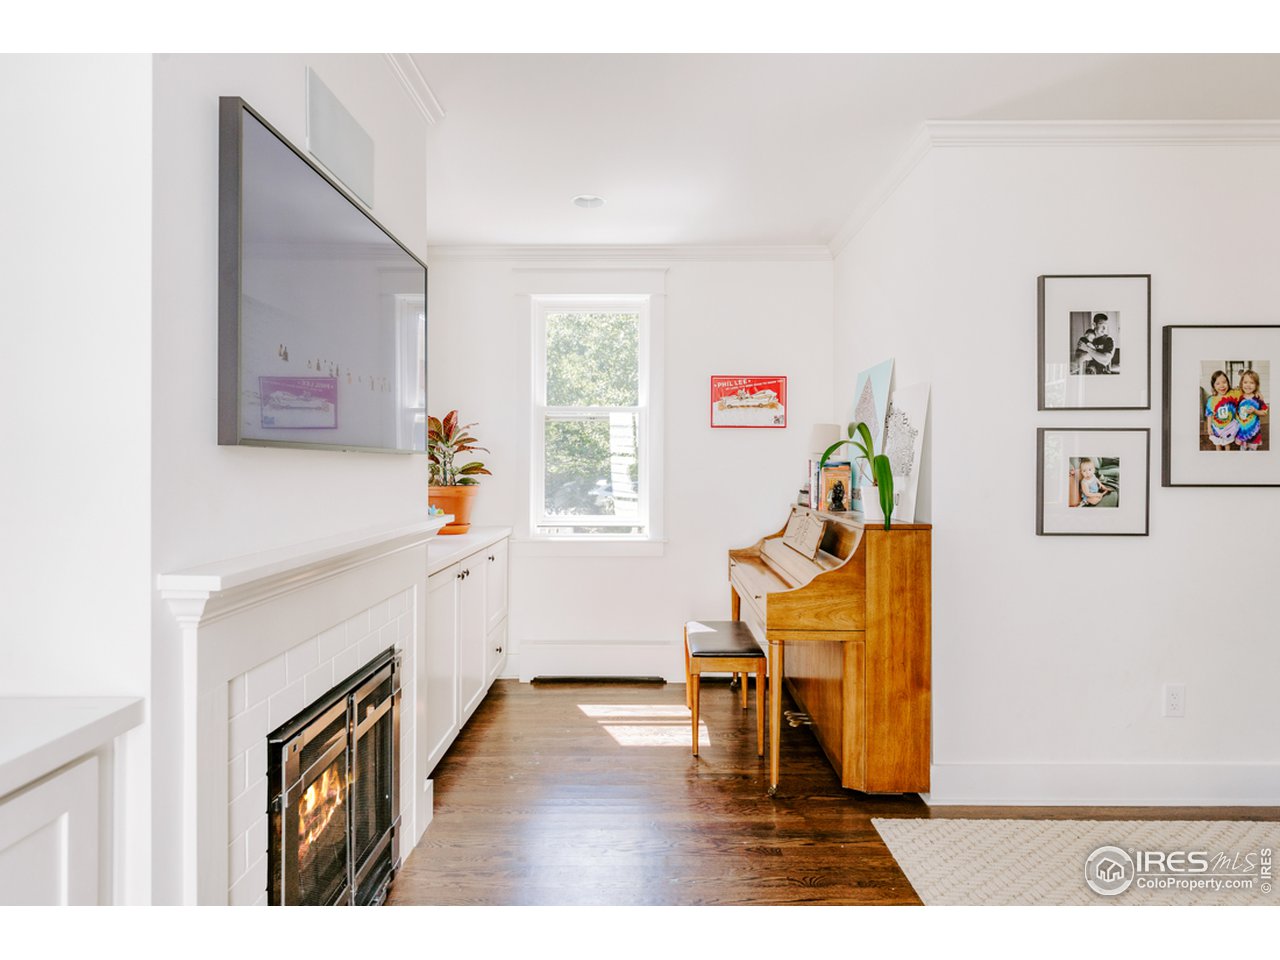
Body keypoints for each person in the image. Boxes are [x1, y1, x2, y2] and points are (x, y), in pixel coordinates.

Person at [1204, 369, 1239, 451]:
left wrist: (1257, 392)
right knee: (1218, 444)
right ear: (1214, 386)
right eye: (1218, 383)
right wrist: (1209, 427)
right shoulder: (1211, 400)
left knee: (1227, 444)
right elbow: (1209, 414)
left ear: (1228, 383)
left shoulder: (1232, 395)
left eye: (1224, 382)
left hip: (1228, 427)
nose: (1222, 385)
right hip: (1216, 428)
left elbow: (1245, 391)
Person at [1235, 368, 1268, 450]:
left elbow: (1265, 412)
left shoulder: (1258, 399)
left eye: (1252, 383)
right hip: (1241, 431)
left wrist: (1255, 411)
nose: (1248, 385)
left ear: (1256, 385)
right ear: (1241, 384)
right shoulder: (1239, 397)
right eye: (1245, 382)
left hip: (1254, 433)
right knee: (1242, 450)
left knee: (1252, 452)